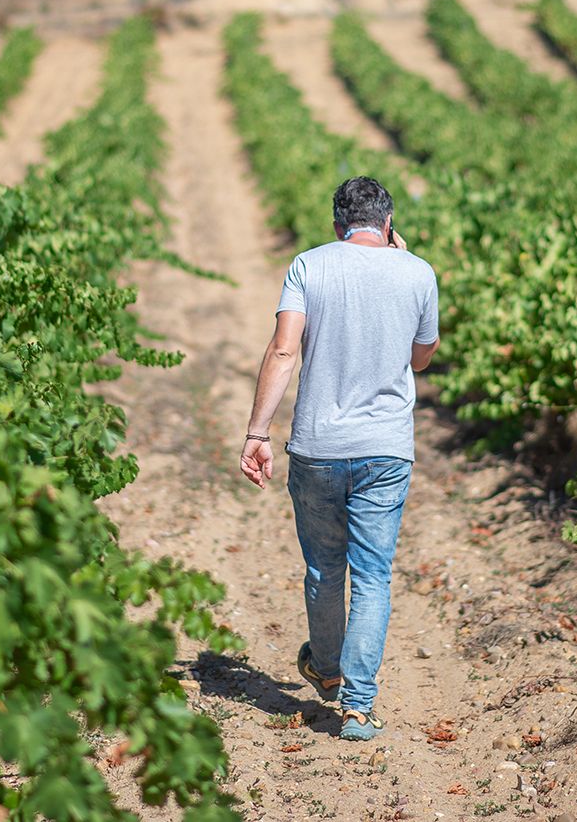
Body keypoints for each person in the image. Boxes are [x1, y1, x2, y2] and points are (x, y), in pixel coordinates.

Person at [240, 176, 439, 741]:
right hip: (386, 449)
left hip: (318, 448)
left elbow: (284, 349)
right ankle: (357, 706)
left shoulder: (310, 265)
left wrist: (258, 431)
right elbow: (421, 358)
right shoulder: (419, 272)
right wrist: (404, 267)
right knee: (373, 575)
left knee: (326, 569)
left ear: (337, 226)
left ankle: (326, 670)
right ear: (388, 224)